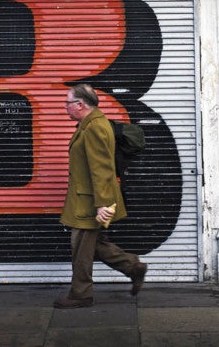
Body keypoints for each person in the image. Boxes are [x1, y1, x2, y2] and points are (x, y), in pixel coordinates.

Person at [55, 84, 147, 309]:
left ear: (80, 105)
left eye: (67, 103)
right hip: (87, 197)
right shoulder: (89, 124)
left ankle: (81, 293)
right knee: (94, 244)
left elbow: (102, 168)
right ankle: (133, 267)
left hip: (90, 201)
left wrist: (103, 204)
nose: (65, 107)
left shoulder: (94, 127)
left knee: (81, 248)